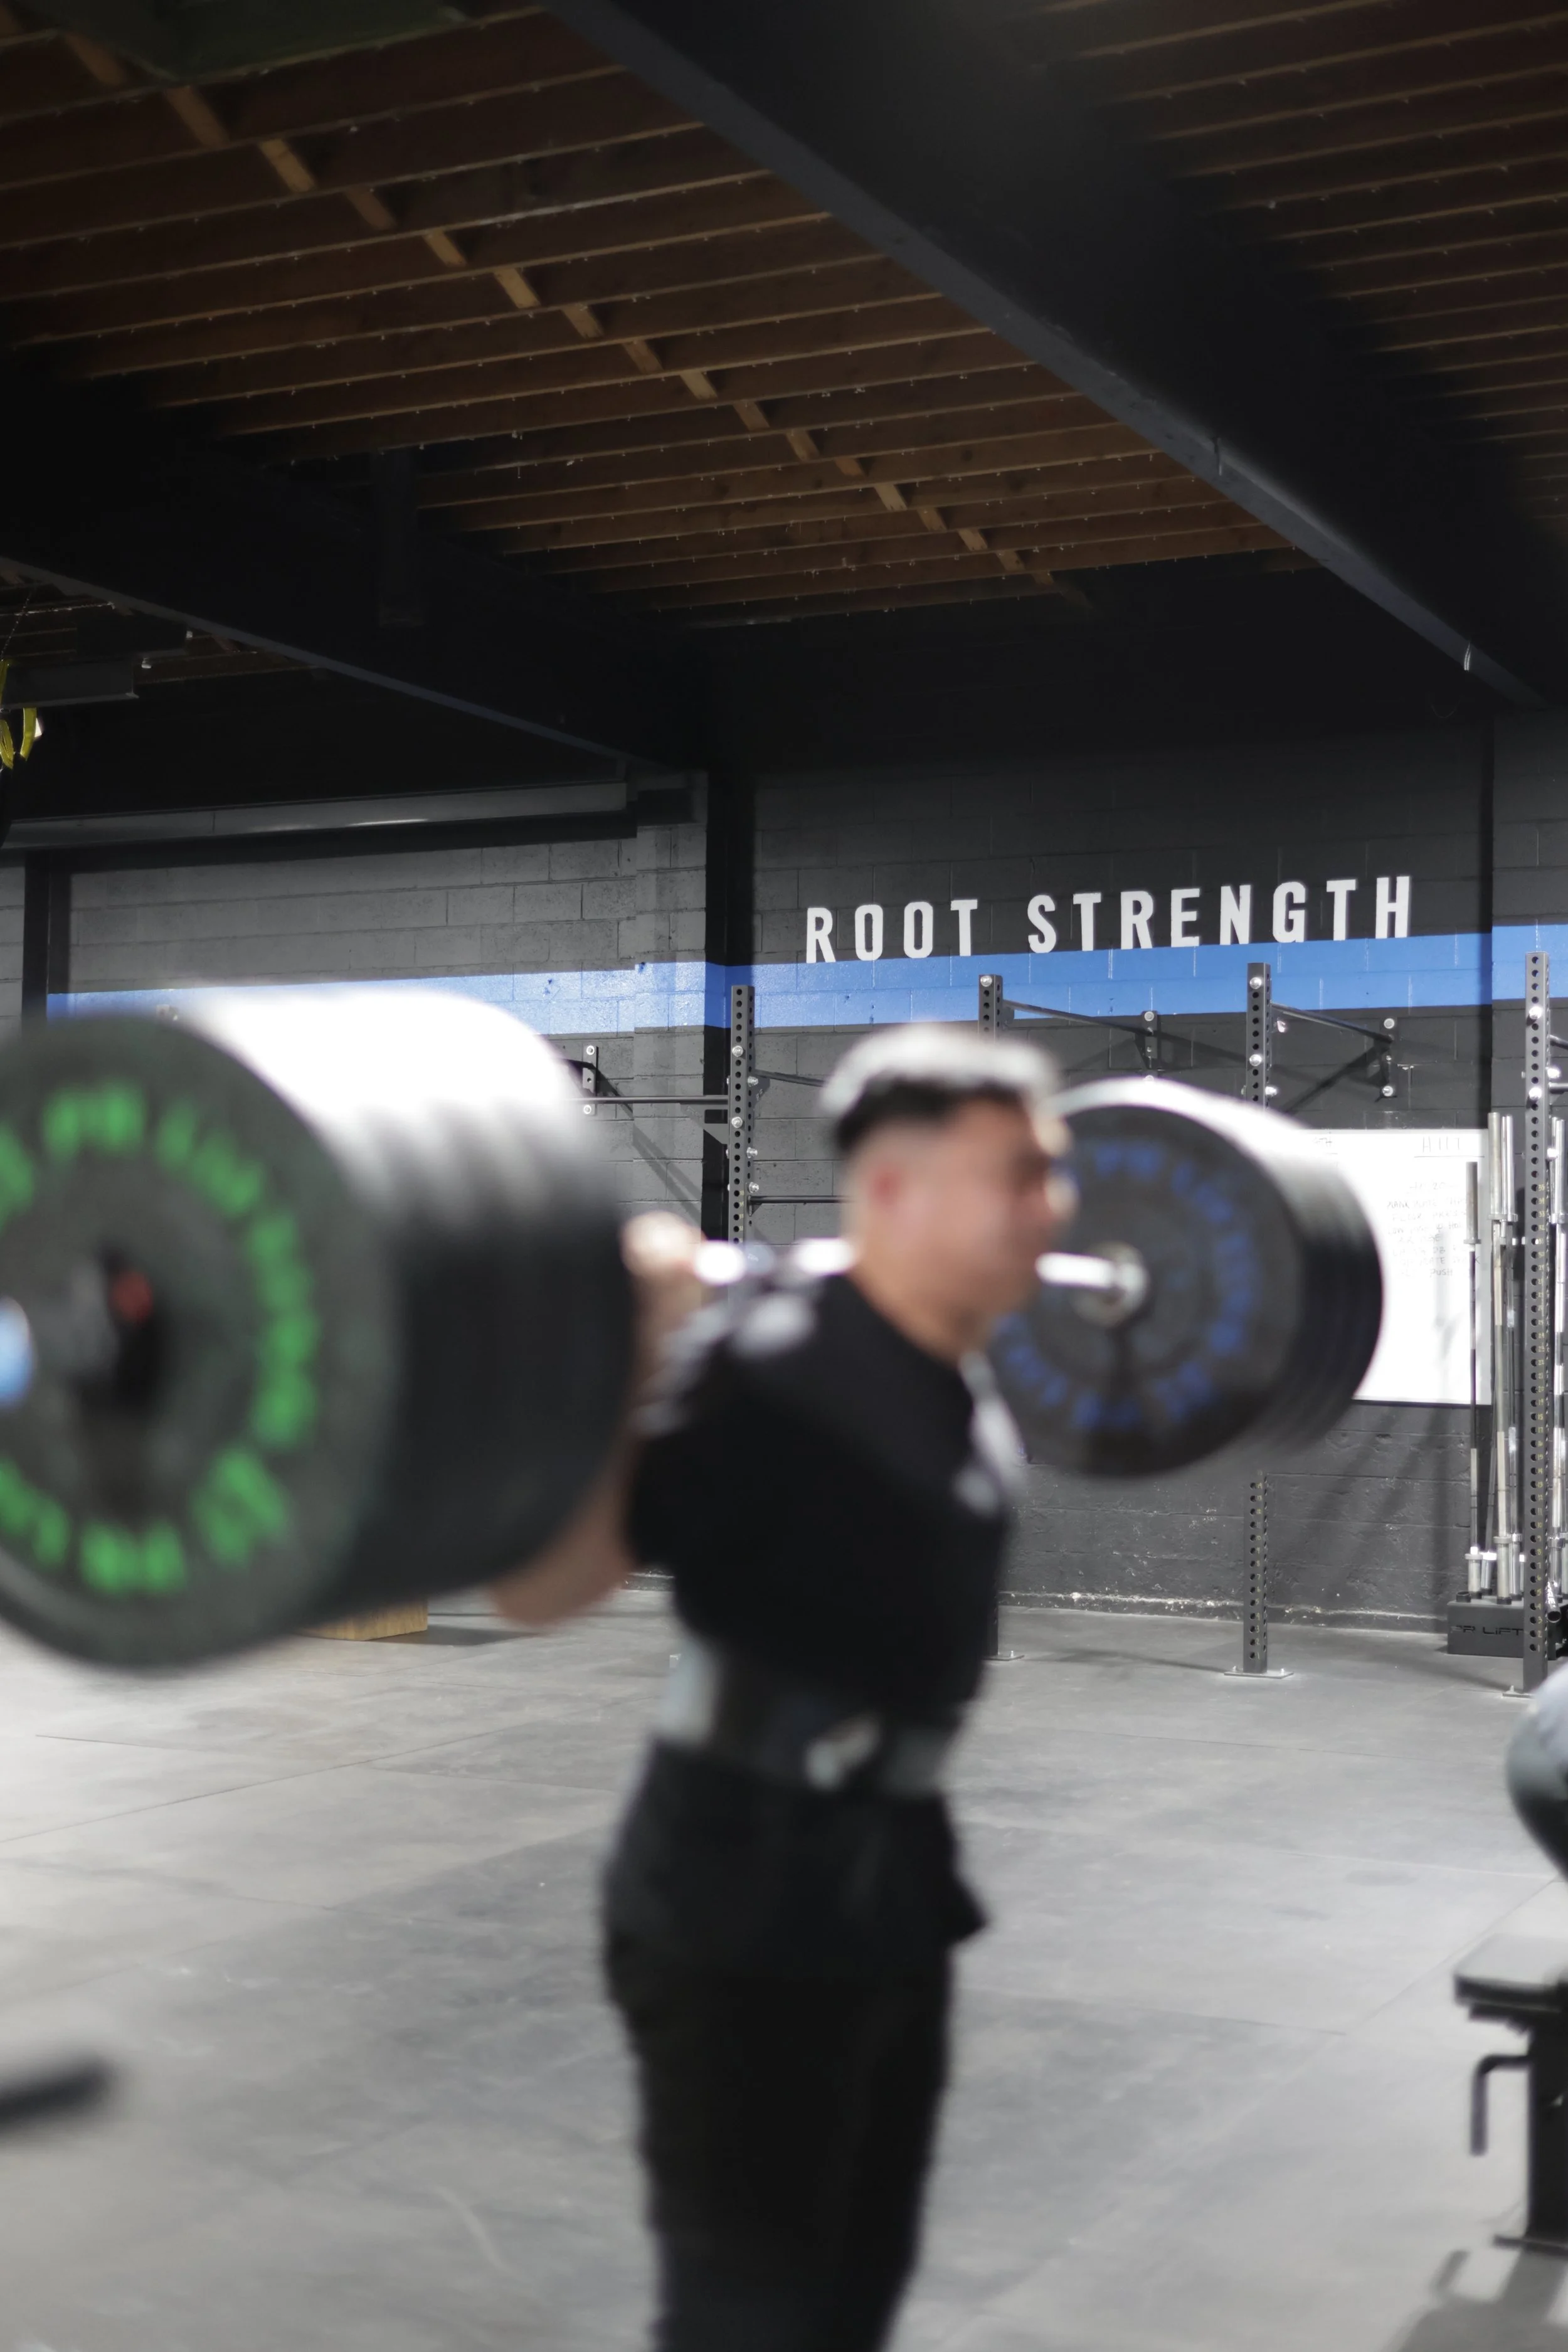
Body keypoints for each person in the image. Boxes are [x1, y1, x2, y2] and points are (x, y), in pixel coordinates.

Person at [494, 1025, 1068, 2352]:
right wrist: (636, 1348)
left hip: (891, 1881)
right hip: (733, 1899)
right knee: (750, 2316)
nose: (1055, 1207)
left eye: (1055, 1173)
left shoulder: (951, 1362)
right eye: (1018, 1176)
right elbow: (543, 1590)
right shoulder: (765, 1366)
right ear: (889, 1194)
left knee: (856, 2292)